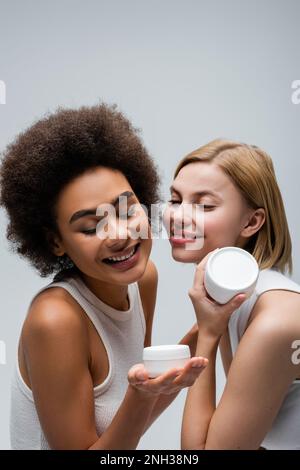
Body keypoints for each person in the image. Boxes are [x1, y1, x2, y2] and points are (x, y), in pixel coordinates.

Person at [0, 103, 207, 450]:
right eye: (92, 225)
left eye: (127, 210)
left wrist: (209, 326)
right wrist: (140, 397)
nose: (120, 235)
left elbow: (133, 416)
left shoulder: (142, 281)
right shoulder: (55, 321)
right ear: (55, 242)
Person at [163, 139, 300, 449]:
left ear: (252, 222)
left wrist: (208, 337)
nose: (178, 216)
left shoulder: (275, 323)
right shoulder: (233, 299)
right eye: (174, 200)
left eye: (204, 205)